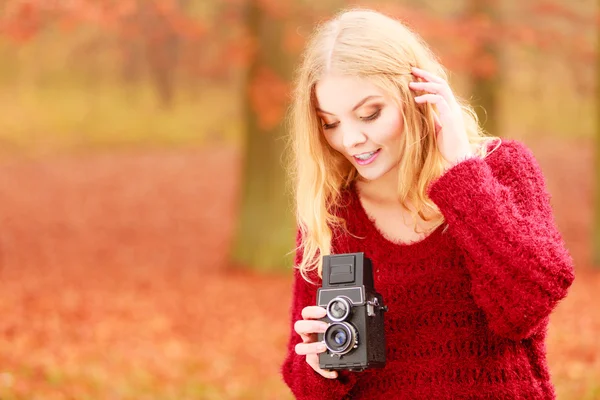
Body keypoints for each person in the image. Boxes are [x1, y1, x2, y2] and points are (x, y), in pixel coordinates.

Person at [279, 7, 575, 400]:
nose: (350, 139)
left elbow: (527, 303)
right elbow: (304, 382)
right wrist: (319, 367)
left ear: (418, 95)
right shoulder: (331, 214)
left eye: (369, 114)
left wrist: (462, 173)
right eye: (330, 123)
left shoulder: (501, 168)